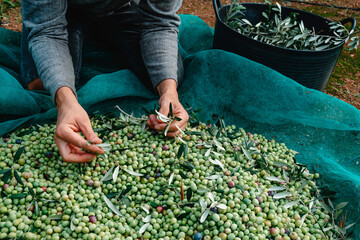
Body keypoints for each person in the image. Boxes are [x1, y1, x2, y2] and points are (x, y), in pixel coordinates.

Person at [20, 0, 189, 163]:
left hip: (121, 7)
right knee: (42, 85)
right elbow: (48, 31)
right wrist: (65, 102)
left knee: (168, 78)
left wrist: (169, 92)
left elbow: (159, 23)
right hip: (62, 12)